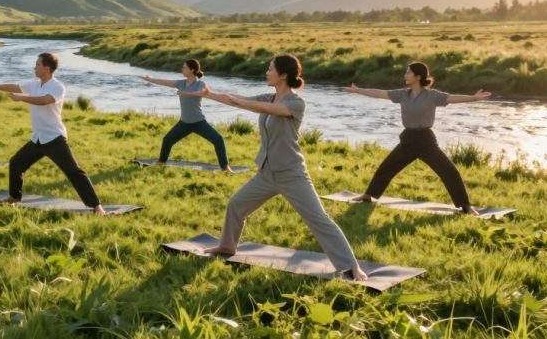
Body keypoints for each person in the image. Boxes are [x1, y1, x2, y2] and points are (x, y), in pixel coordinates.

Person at [183, 54, 366, 281]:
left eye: (270, 69)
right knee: (236, 205)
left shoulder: (296, 103)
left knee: (319, 219)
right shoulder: (269, 98)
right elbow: (238, 99)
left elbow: (261, 107)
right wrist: (210, 95)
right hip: (266, 173)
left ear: (283, 75)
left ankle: (351, 267)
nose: (267, 72)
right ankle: (227, 246)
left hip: (291, 174)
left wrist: (239, 102)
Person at [344, 61, 491, 215]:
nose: (405, 75)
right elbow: (380, 93)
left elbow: (451, 98)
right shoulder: (403, 94)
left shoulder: (432, 95)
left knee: (449, 171)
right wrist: (359, 90)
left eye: (408, 72)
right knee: (386, 168)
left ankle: (466, 205)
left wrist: (474, 98)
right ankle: (368, 195)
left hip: (426, 141)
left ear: (418, 76)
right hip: (407, 140)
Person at [0, 52, 106, 215]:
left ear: (47, 68)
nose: (34, 67)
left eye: (38, 65)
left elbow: (44, 100)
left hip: (54, 139)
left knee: (73, 171)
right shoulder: (34, 84)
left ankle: (96, 206)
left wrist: (22, 98)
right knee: (16, 163)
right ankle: (14, 197)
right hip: (38, 139)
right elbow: (15, 86)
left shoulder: (57, 87)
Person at [140, 59, 231, 171]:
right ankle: (161, 163)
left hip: (199, 123)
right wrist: (150, 79)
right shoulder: (181, 83)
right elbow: (165, 82)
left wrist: (184, 93)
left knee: (218, 139)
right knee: (167, 140)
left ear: (192, 70)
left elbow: (201, 93)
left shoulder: (200, 84)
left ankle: (225, 168)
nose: (182, 69)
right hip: (184, 123)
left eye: (184, 67)